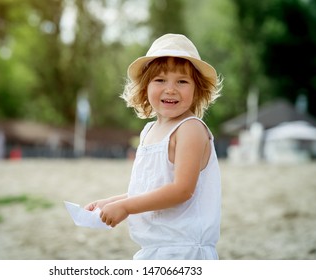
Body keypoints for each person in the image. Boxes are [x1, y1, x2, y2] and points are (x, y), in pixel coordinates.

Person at [85, 33, 223, 259]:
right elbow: (151, 189)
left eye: (182, 81)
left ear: (197, 89)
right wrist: (111, 202)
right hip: (154, 249)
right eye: (160, 80)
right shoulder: (149, 131)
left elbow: (181, 190)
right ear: (145, 87)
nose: (170, 89)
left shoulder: (190, 129)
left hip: (184, 249)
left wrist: (127, 208)